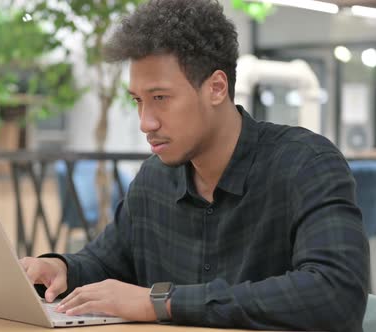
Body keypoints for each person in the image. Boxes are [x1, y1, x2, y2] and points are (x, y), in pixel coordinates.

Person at [19, 0, 370, 330]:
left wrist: (163, 303)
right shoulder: (155, 179)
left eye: (160, 98)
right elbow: (105, 263)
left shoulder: (305, 164)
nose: (146, 122)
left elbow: (337, 293)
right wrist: (60, 268)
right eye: (139, 101)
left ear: (216, 88)